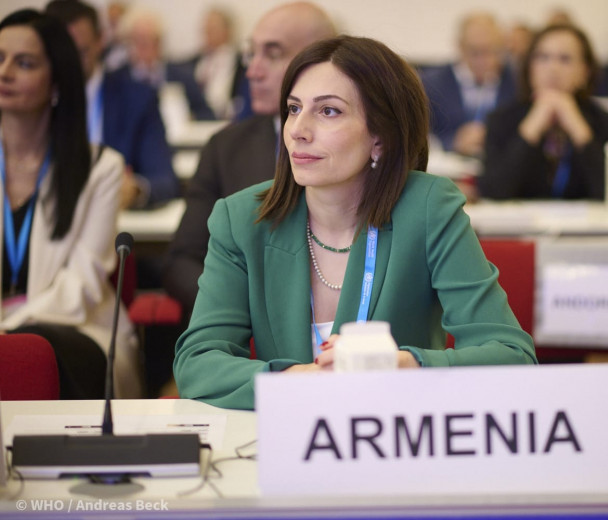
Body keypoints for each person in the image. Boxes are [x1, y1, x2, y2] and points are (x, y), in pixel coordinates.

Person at [173, 35, 538, 411]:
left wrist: (405, 367)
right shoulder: (242, 219)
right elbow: (197, 365)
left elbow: (512, 357)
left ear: (380, 137)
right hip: (284, 437)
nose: (298, 129)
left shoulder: (428, 209)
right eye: (294, 108)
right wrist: (295, 380)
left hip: (395, 433)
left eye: (328, 111)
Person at [0, 9, 140, 399]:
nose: (5, 72)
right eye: (0, 58)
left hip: (73, 329)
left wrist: (10, 328)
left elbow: (81, 286)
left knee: (31, 349)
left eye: (24, 63)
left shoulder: (100, 167)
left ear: (57, 80)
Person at [163, 1, 336, 316]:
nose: (253, 71)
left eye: (273, 54)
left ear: (321, 60)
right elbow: (183, 261)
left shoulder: (355, 146)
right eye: (251, 54)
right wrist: (241, 308)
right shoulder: (226, 148)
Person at [44, 0, 178, 210]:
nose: (68, 64)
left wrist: (134, 190)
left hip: (110, 214)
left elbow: (164, 180)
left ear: (100, 41)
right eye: (59, 54)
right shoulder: (31, 99)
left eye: (80, 52)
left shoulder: (137, 99)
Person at [478, 24, 608, 200]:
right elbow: (493, 191)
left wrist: (578, 128)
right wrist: (532, 128)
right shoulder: (501, 119)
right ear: (529, 67)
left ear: (585, 71)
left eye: (565, 59)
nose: (553, 68)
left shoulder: (603, 121)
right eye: (543, 57)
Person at [420, 12, 515, 156]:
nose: (484, 60)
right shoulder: (432, 83)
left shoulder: (514, 82)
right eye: (475, 52)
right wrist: (452, 142)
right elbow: (421, 136)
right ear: (460, 47)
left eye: (493, 51)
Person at [118, 7, 215, 121]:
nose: (146, 46)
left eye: (152, 40)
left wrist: (188, 117)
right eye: (139, 40)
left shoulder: (182, 76)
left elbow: (207, 114)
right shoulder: (117, 79)